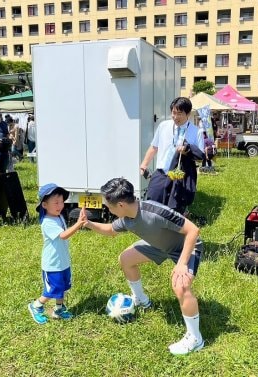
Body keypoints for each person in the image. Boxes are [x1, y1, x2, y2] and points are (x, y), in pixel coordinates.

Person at [83, 178, 204, 355]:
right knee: (125, 259)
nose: (108, 209)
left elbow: (193, 230)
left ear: (121, 204)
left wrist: (182, 263)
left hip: (185, 246)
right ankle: (141, 300)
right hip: (159, 246)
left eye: (109, 206)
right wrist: (88, 224)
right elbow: (110, 231)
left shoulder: (155, 212)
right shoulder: (126, 218)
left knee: (181, 286)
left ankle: (195, 338)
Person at [28, 183, 87, 325]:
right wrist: (78, 224)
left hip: (63, 261)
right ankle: (36, 306)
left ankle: (59, 309)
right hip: (52, 264)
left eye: (61, 202)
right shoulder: (47, 222)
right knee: (53, 289)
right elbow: (63, 236)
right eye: (55, 202)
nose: (60, 205)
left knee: (63, 286)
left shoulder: (58, 216)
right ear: (44, 205)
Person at [140, 97, 204, 214]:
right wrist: (144, 164)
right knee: (152, 203)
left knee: (175, 209)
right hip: (162, 172)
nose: (176, 117)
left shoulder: (196, 132)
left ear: (188, 114)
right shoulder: (163, 126)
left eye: (180, 113)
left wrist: (187, 151)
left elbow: (200, 156)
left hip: (180, 177)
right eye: (174, 113)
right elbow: (154, 147)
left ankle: (176, 229)